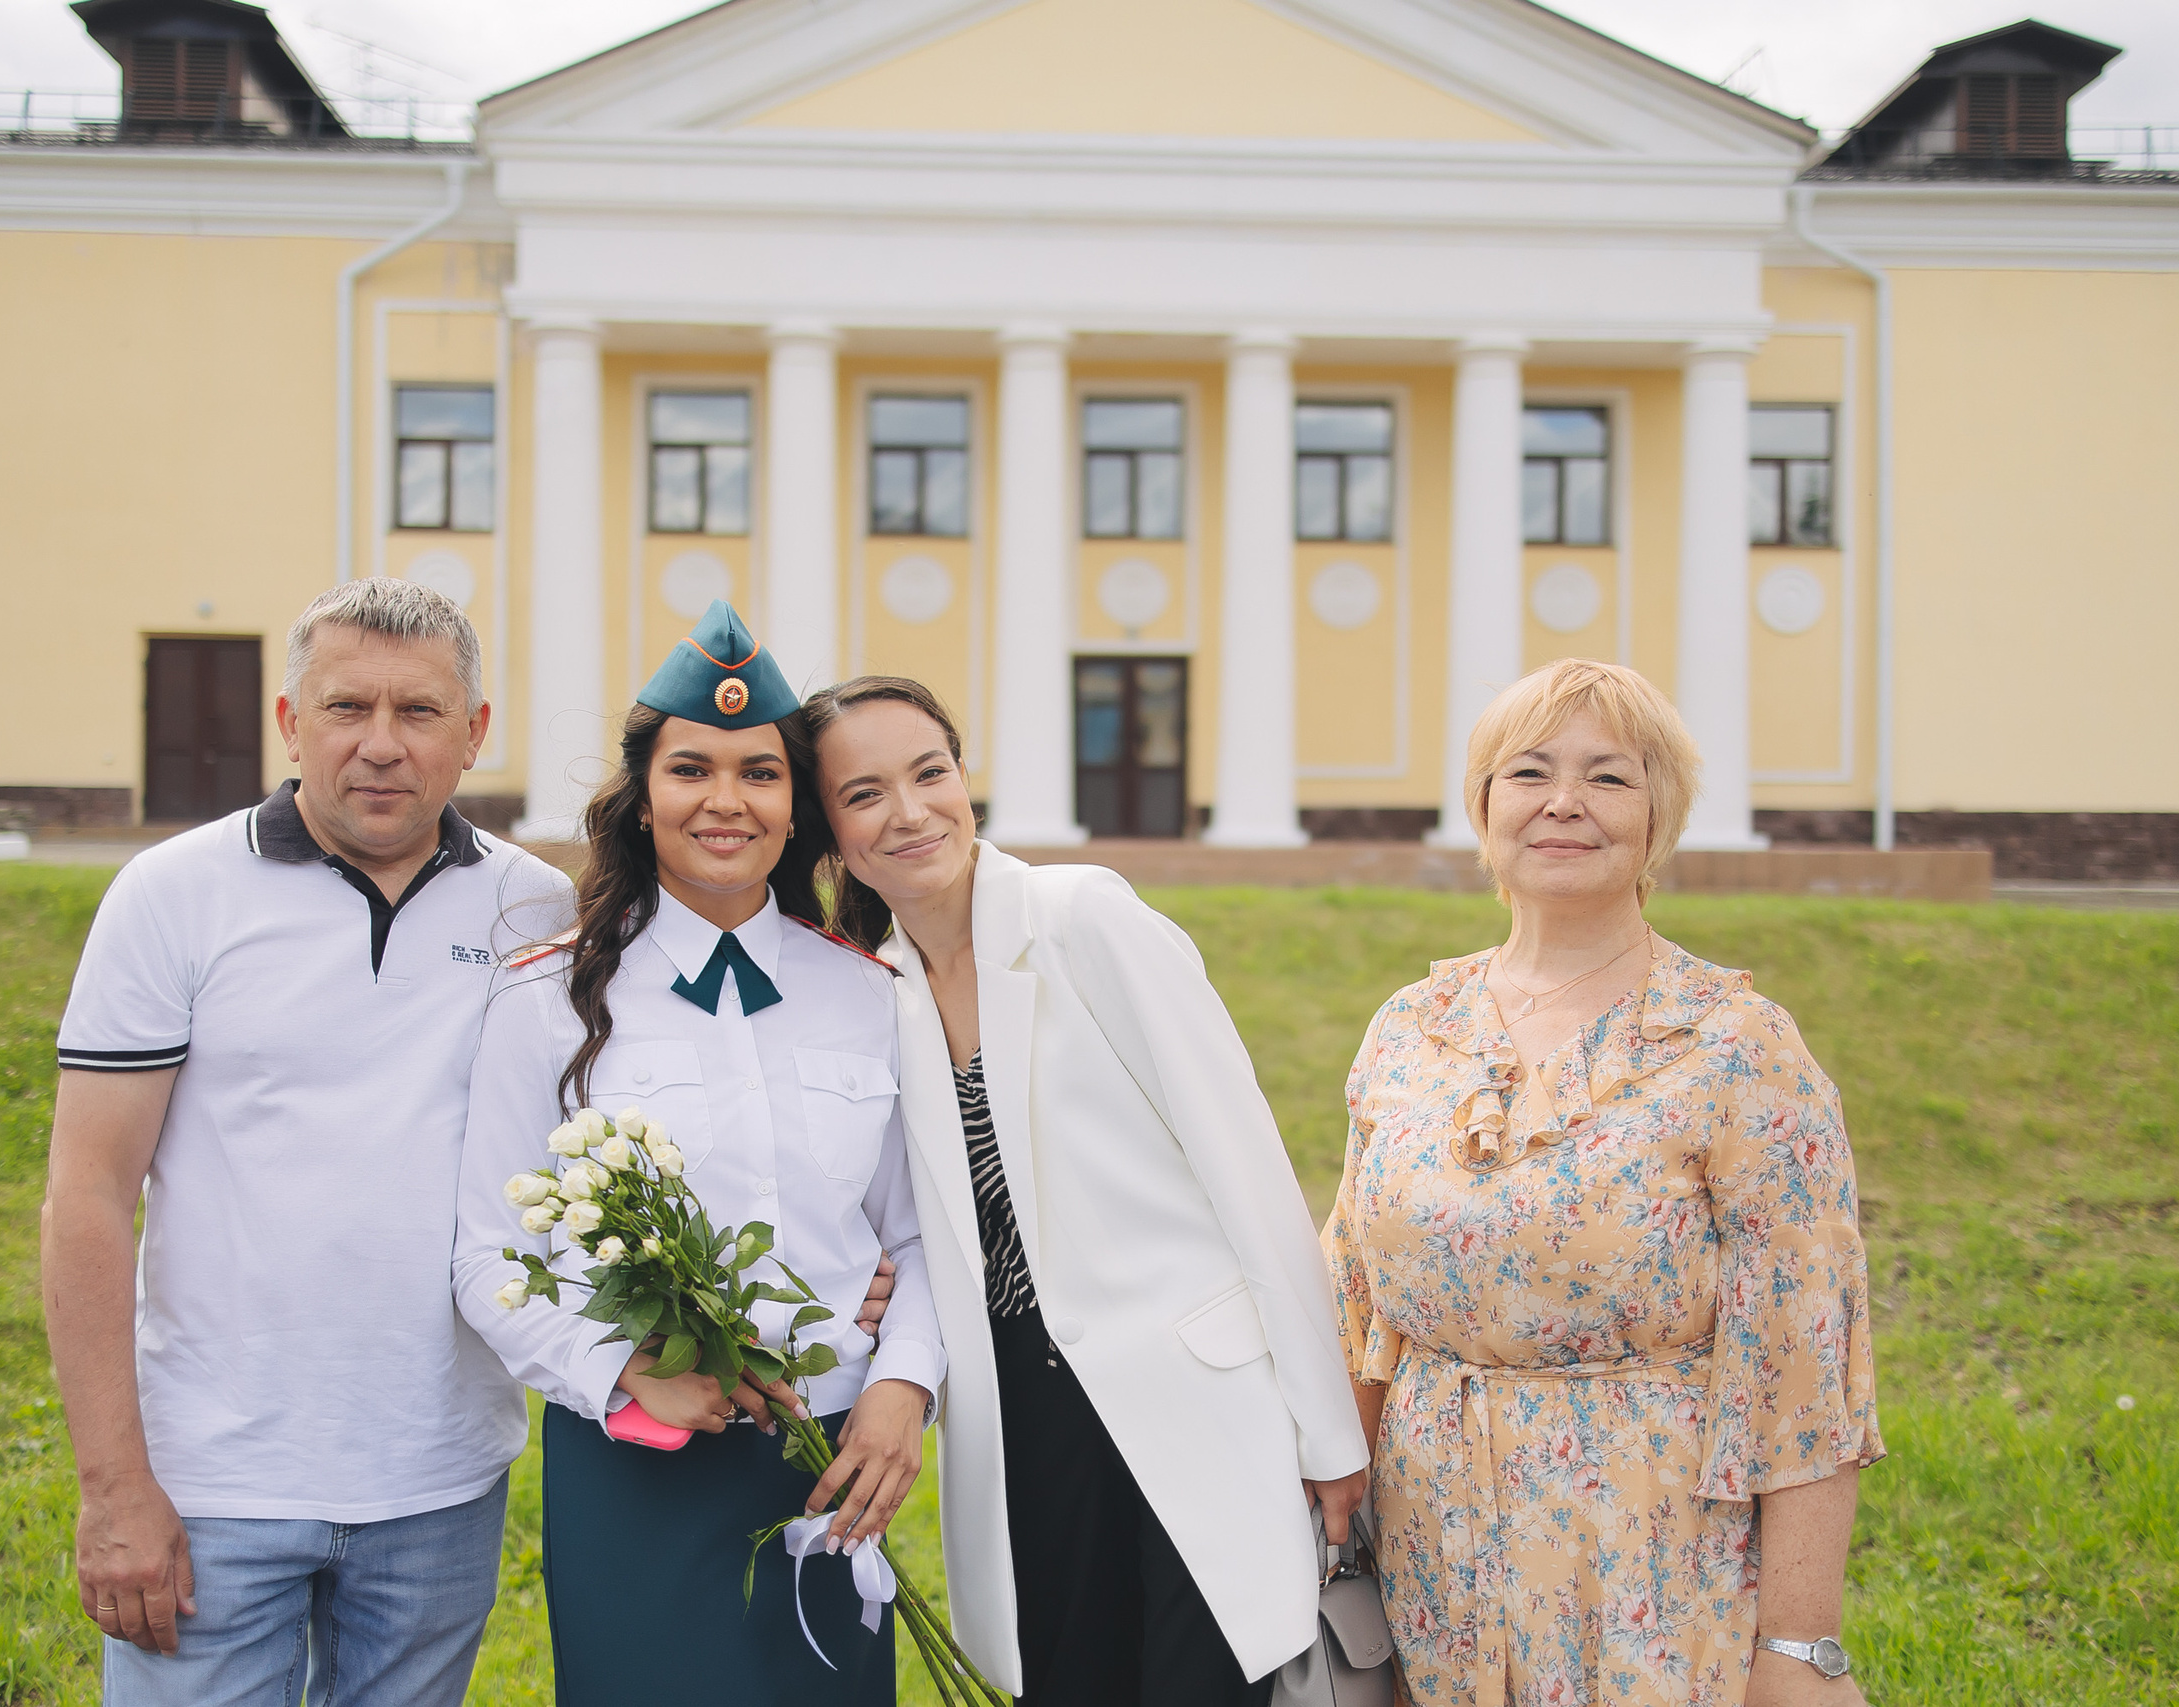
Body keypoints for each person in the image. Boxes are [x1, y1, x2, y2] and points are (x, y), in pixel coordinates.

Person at [40, 577, 575, 1705]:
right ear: (291, 722)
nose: (381, 745)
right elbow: (87, 1195)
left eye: (420, 713)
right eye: (346, 708)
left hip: (439, 1480)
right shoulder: (170, 896)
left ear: (473, 733)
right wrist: (113, 1487)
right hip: (211, 1485)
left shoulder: (535, 909)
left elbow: (598, 1151)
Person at [1323, 658, 1884, 1707]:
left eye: (1609, 778)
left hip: (1653, 1564)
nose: (1563, 804)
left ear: (1658, 817)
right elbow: (1354, 1299)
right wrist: (1327, 1520)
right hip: (1430, 1559)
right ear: (1483, 806)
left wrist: (1798, 1645)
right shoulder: (1409, 1028)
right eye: (1528, 772)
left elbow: (1804, 1365)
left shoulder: (1734, 1047)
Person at [800, 675, 1370, 1707]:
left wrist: (1327, 1431)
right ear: (829, 830)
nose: (911, 811)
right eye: (865, 793)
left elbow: (1244, 1169)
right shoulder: (871, 990)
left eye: (931, 772)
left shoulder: (1080, 917)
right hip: (1019, 1416)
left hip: (1190, 1399)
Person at [453, 605, 944, 1706]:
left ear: (795, 806)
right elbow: (484, 1254)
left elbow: (918, 1236)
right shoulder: (545, 994)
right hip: (636, 1457)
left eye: (760, 774)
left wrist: (902, 1389)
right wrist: (626, 1371)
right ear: (644, 798)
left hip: (829, 1457)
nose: (726, 801)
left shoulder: (872, 993)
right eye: (692, 769)